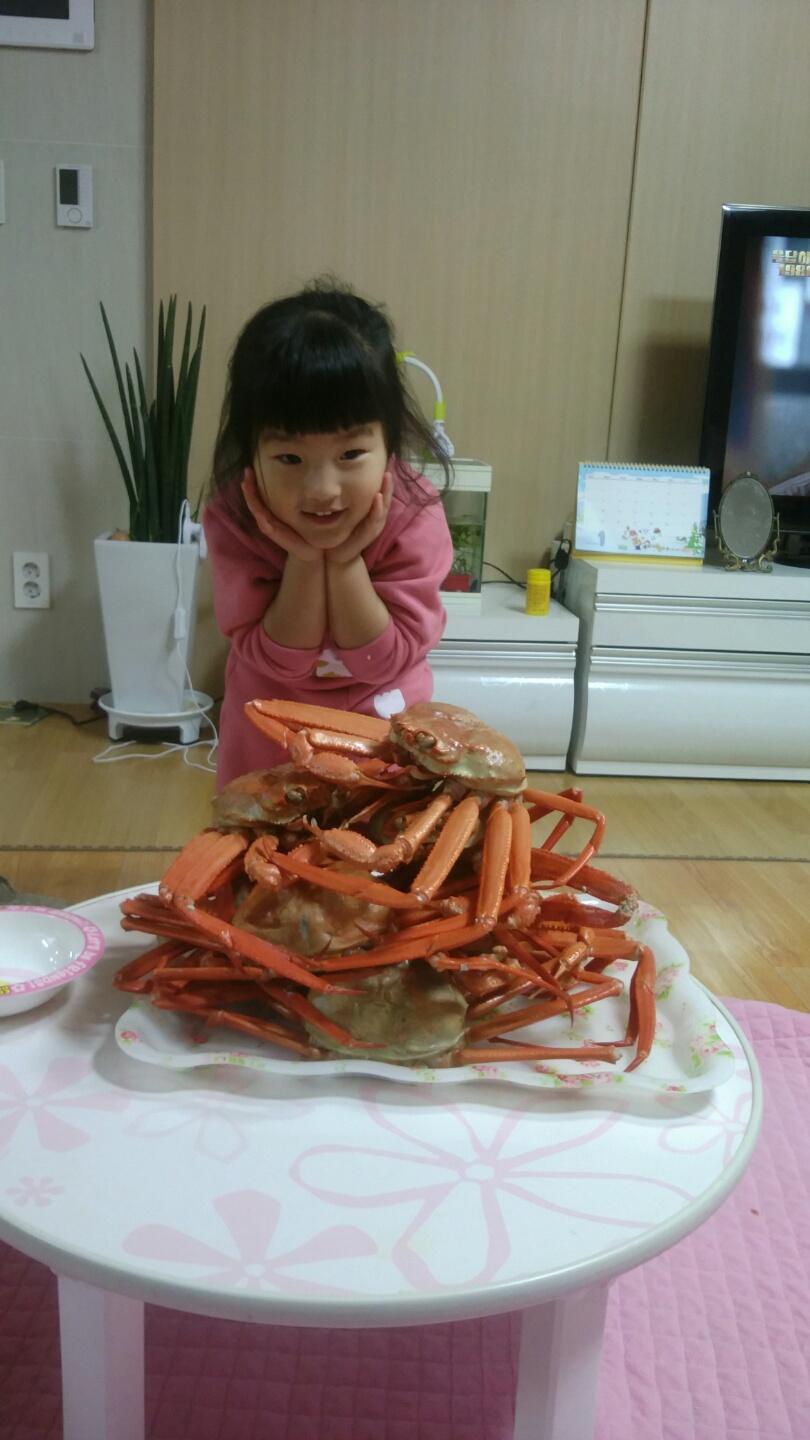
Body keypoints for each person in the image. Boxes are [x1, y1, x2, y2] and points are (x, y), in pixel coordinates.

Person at [203, 279, 454, 788]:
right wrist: (303, 560)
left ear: (390, 442)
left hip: (384, 731)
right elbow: (278, 660)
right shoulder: (235, 517)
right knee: (261, 833)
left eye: (351, 454)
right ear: (250, 450)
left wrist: (342, 562)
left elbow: (384, 659)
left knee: (386, 834)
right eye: (289, 458)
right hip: (268, 734)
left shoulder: (414, 514)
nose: (322, 490)